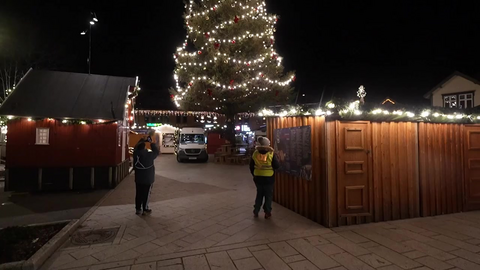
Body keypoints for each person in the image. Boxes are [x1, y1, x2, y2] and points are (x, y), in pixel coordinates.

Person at [250, 136, 280, 219]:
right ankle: (267, 212)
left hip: (258, 178)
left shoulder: (255, 153)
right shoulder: (271, 154)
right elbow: (277, 166)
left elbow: (251, 166)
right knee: (268, 195)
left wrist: (254, 174)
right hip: (269, 178)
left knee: (259, 194)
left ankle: (256, 211)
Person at [133, 134, 159, 215]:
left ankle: (138, 209)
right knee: (146, 194)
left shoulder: (136, 153)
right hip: (148, 178)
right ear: (144, 147)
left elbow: (136, 147)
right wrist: (151, 142)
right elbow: (156, 151)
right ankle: (145, 208)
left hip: (138, 178)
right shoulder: (149, 155)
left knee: (138, 193)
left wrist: (142, 141)